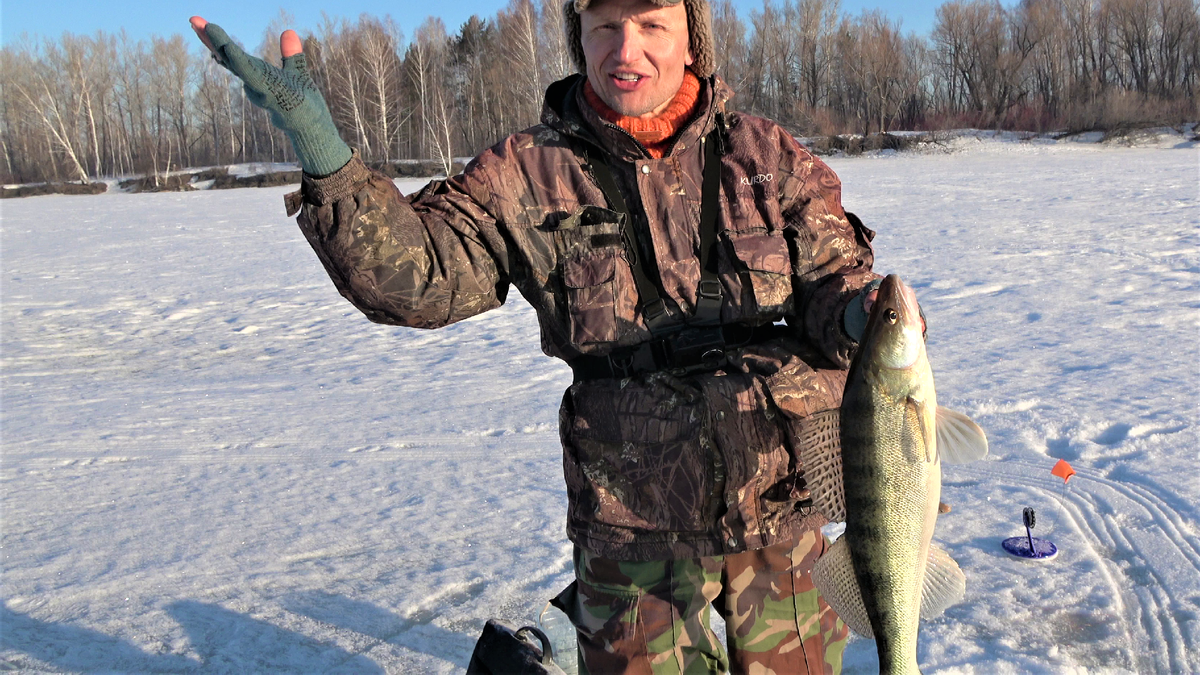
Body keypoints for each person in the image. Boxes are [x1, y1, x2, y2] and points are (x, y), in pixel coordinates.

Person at [191, 0, 885, 670]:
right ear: (578, 35)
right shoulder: (524, 173)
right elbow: (418, 276)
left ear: (692, 36)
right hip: (631, 525)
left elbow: (833, 279)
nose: (627, 48)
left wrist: (860, 315)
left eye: (652, 24)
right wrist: (325, 154)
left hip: (779, 513)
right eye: (605, 25)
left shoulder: (765, 156)